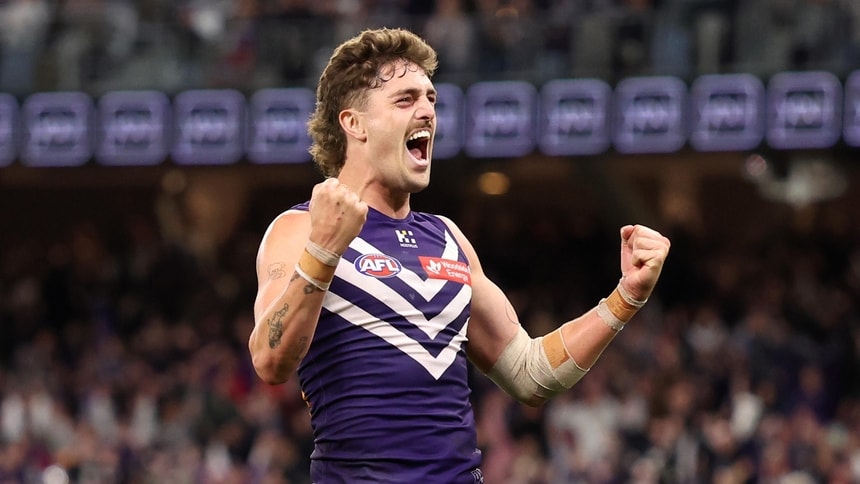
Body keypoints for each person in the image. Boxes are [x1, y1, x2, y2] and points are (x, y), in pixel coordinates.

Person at [249, 27, 671, 483]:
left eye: (431, 99)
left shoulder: (448, 237)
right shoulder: (300, 228)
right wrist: (323, 249)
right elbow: (270, 361)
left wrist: (626, 296)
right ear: (354, 124)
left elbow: (530, 374)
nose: (428, 111)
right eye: (406, 100)